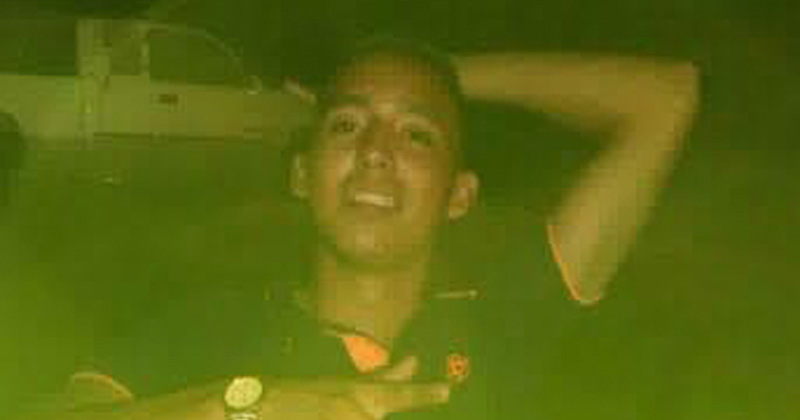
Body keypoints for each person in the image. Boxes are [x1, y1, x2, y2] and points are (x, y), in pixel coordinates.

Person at [14, 37, 698, 420]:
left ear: (459, 195)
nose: (375, 150)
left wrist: (437, 75)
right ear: (302, 175)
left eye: (417, 133)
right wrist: (241, 409)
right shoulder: (204, 329)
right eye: (346, 124)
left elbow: (667, 96)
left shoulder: (503, 319)